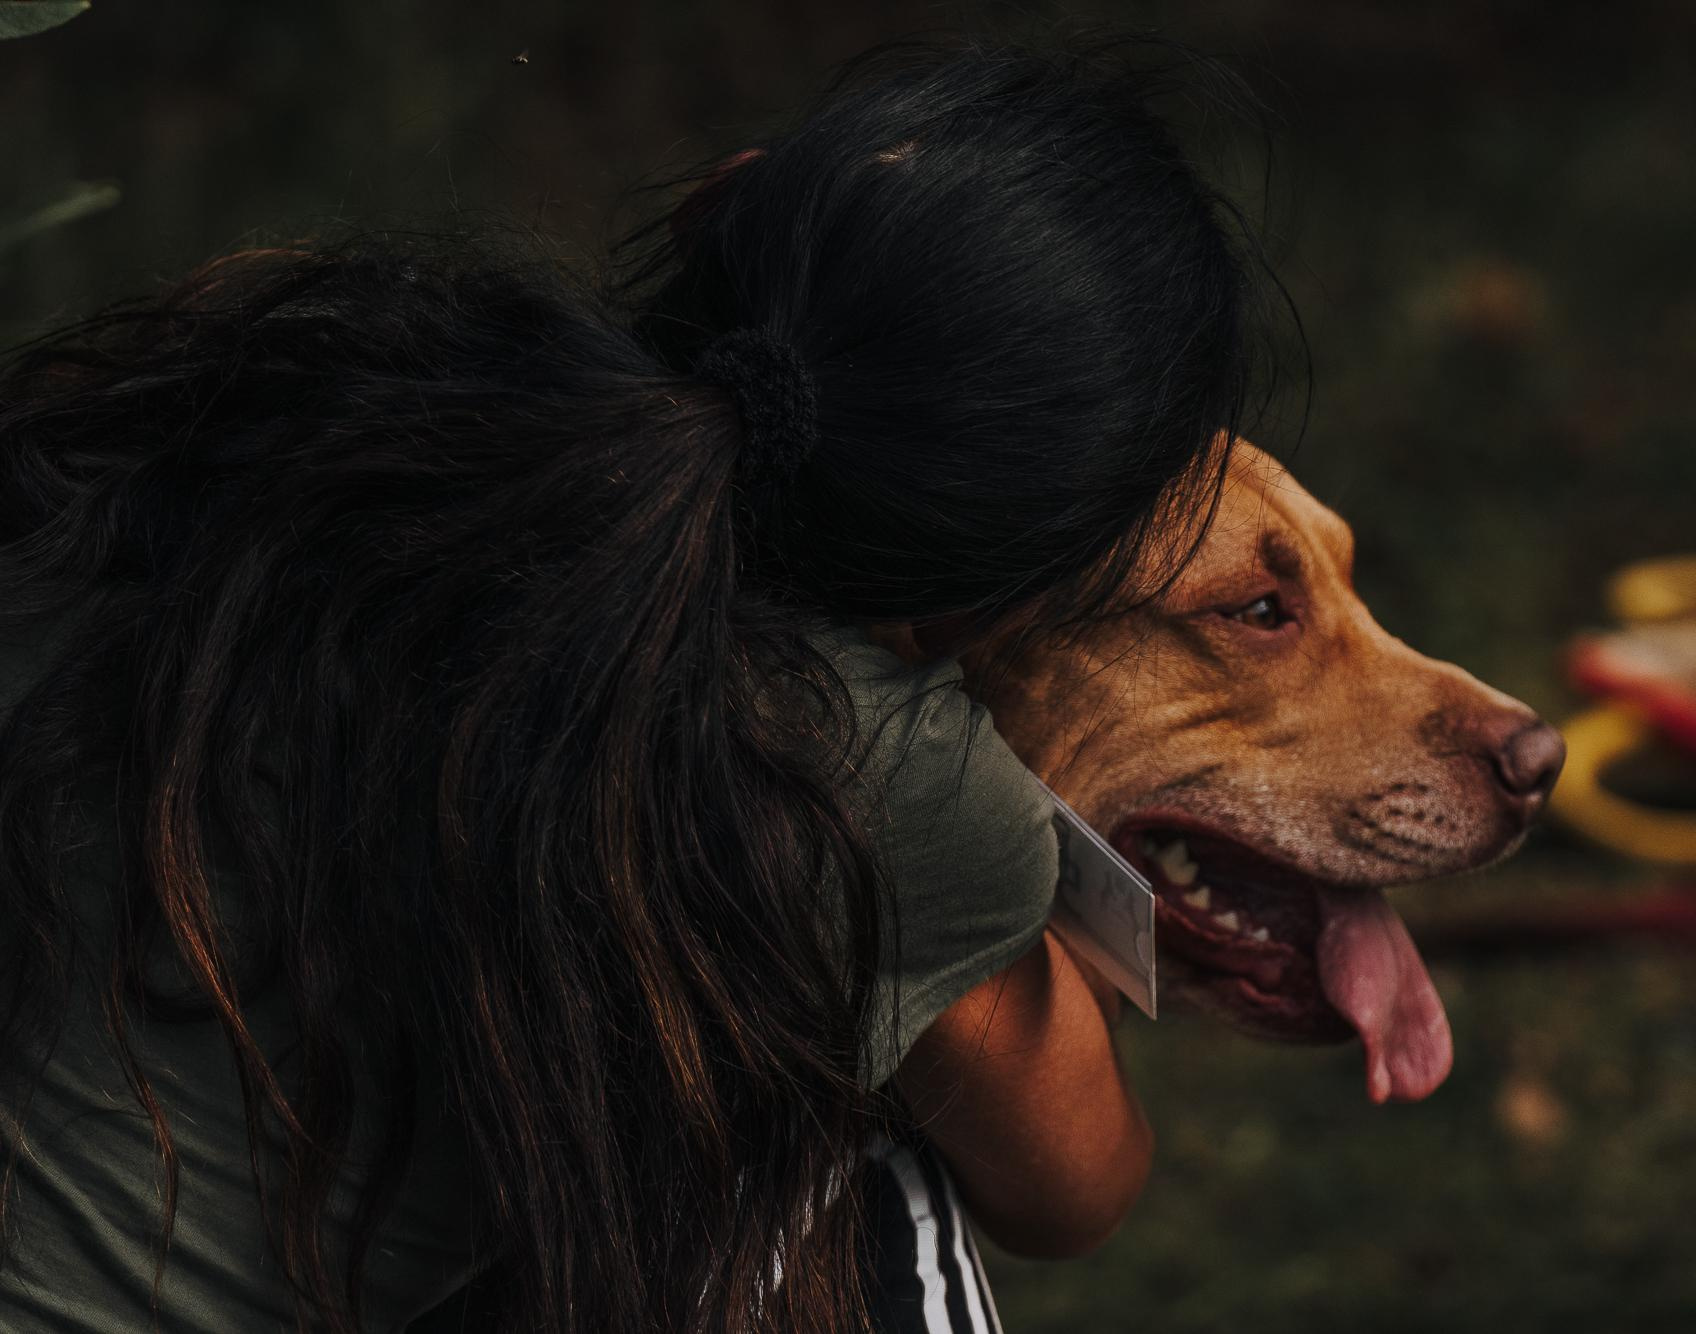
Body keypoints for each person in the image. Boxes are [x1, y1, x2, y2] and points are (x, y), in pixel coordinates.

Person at [0, 36, 1268, 1334]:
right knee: (862, 1165)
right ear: (1047, 569)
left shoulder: (306, 395)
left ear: (719, 196)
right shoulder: (866, 772)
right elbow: (1078, 1181)